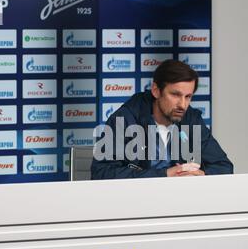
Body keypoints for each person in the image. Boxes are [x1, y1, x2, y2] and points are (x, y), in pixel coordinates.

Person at [91, 59, 233, 179]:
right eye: (175, 95)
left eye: (188, 97)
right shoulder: (126, 118)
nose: (182, 105)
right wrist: (165, 174)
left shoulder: (191, 118)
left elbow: (224, 166)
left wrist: (199, 174)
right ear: (156, 91)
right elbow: (101, 172)